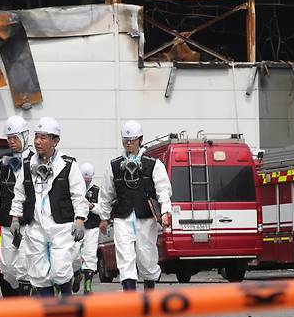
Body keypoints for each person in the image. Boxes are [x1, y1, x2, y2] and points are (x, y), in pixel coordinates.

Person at [9, 117, 89, 296]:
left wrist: (80, 220)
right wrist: (15, 218)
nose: (37, 141)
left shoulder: (68, 165)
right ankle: (50, 311)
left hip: (60, 227)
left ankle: (67, 300)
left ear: (55, 140)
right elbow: (19, 194)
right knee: (38, 273)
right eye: (36, 137)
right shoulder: (27, 164)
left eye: (43, 137)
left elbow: (78, 195)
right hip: (35, 227)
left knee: (60, 271)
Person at [98, 120, 172, 292]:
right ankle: (129, 293)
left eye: (132, 139)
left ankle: (150, 283)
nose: (128, 143)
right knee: (125, 255)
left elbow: (163, 189)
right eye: (125, 140)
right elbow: (106, 193)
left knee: (146, 255)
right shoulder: (114, 166)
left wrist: (166, 212)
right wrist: (104, 217)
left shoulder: (153, 164)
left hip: (145, 217)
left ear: (140, 139)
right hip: (123, 217)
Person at [0, 116, 33, 297]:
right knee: (7, 266)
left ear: (24, 136)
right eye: (9, 138)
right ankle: (14, 289)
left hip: (28, 222)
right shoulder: (1, 162)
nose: (11, 142)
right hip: (6, 221)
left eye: (15, 138)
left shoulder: (35, 161)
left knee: (25, 263)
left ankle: (25, 301)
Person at [71, 162, 101, 295]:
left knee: (90, 255)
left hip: (92, 228)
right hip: (76, 227)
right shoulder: (73, 189)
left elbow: (103, 209)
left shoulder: (97, 191)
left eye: (88, 180)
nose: (86, 182)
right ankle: (77, 274)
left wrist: (92, 206)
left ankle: (88, 287)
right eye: (84, 179)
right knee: (73, 256)